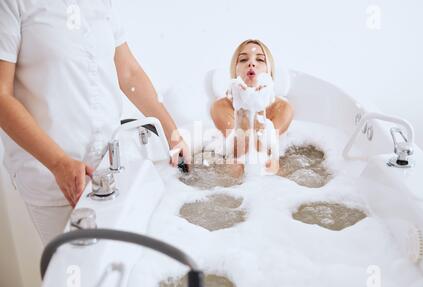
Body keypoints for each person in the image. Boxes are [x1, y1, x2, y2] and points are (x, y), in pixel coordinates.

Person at [0, 0, 190, 245]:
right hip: (53, 179)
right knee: (79, 276)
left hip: (111, 169)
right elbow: (2, 97)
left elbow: (128, 72)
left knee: (123, 268)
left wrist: (171, 132)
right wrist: (58, 163)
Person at [210, 39, 294, 171]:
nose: (251, 63)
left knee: (269, 165)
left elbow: (265, 156)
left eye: (260, 60)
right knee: (236, 167)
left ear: (269, 71)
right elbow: (239, 153)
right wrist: (242, 108)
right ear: (235, 71)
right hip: (235, 174)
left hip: (270, 178)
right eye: (243, 60)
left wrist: (258, 106)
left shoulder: (282, 108)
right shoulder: (221, 107)